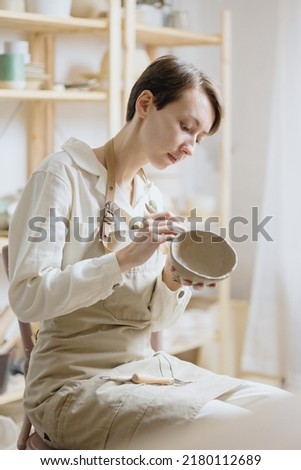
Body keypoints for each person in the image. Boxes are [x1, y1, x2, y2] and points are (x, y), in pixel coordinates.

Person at [8, 55, 289, 450]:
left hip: (147, 371)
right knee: (238, 436)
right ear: (145, 105)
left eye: (200, 137)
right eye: (185, 127)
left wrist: (174, 278)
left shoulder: (153, 198)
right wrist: (124, 259)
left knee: (282, 413)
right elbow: (27, 297)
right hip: (73, 384)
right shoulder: (62, 175)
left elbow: (155, 319)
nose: (190, 146)